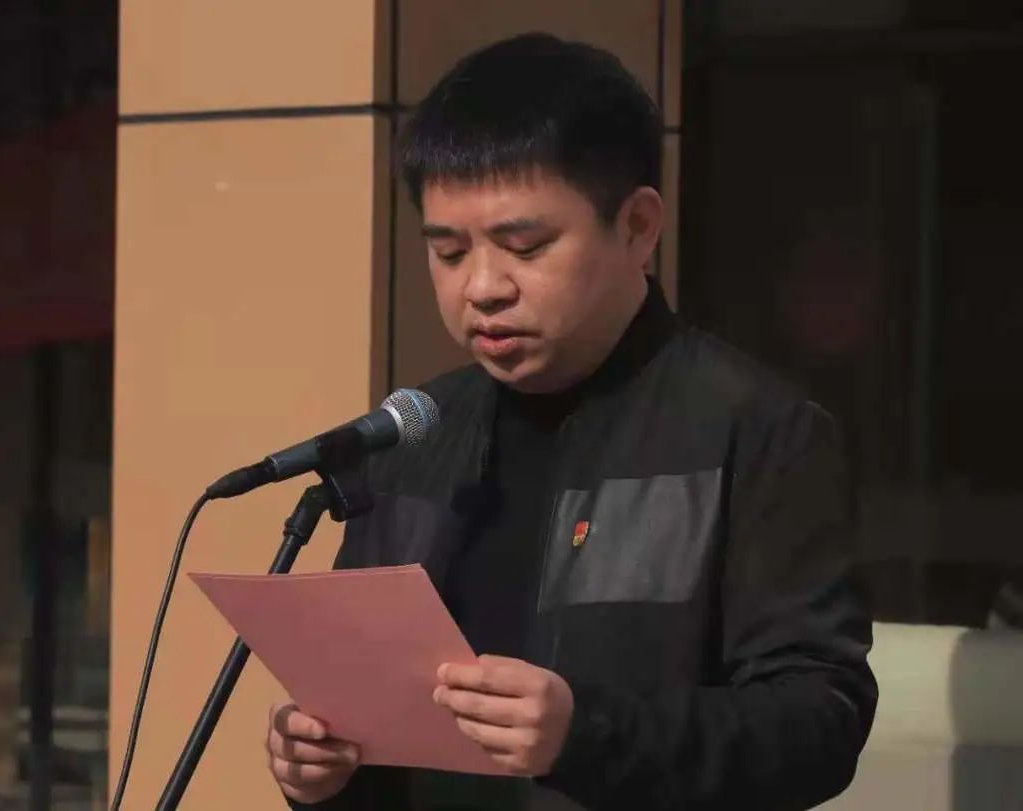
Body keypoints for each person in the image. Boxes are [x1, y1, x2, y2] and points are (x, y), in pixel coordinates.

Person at [265, 33, 878, 811]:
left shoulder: (757, 430)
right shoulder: (412, 434)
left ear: (638, 226)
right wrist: (320, 767)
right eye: (448, 252)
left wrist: (584, 734)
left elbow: (820, 722)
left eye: (525, 246)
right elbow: (367, 709)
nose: (483, 286)